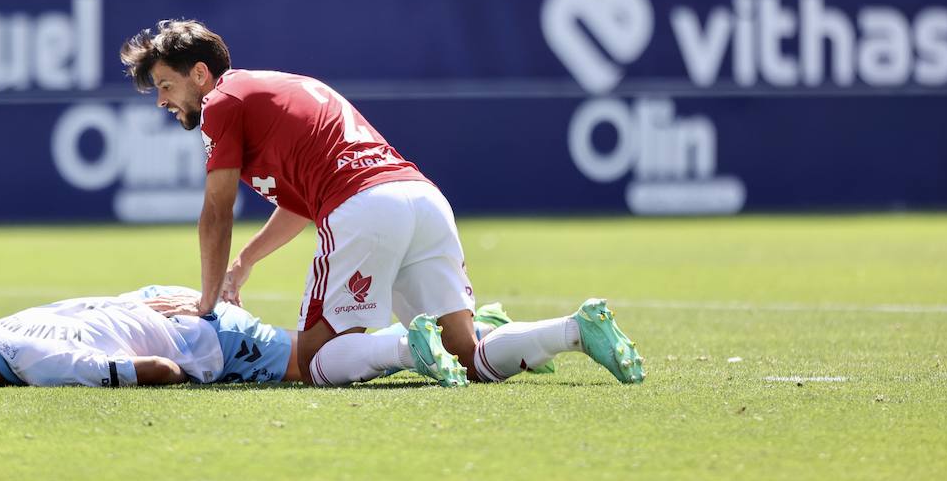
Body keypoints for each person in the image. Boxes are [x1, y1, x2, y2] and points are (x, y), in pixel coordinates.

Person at [120, 20, 645, 389]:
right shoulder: (278, 89)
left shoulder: (221, 102)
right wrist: (246, 263)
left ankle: (403, 347)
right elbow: (302, 205)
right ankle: (576, 329)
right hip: (422, 200)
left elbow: (217, 210)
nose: (164, 100)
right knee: (469, 356)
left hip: (366, 210)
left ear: (201, 76)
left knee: (313, 360)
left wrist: (208, 300)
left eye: (166, 85)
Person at [0, 287, 556, 388]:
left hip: (205, 339)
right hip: (172, 301)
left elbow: (157, 370)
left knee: (310, 370)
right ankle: (484, 324)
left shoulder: (41, 364)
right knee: (312, 354)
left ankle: (423, 342)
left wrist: (181, 381)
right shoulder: (1, 332)